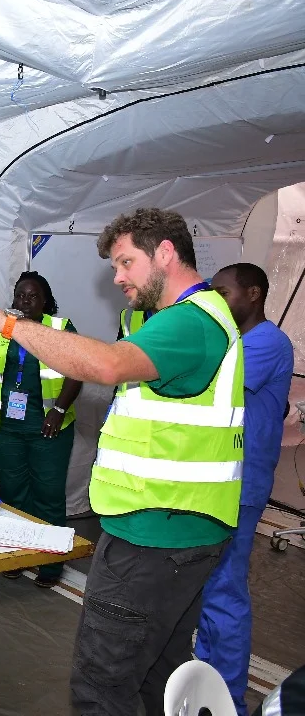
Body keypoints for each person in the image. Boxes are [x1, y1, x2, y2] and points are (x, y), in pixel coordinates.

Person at [0, 207, 244, 716]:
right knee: (155, 679)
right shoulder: (178, 319)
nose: (118, 277)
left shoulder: (191, 322)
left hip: (153, 536)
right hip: (179, 529)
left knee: (101, 684)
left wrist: (5, 321)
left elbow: (104, 364)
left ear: (165, 253)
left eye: (126, 263)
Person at [196, 263, 294, 716]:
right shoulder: (238, 341)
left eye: (224, 292)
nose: (218, 299)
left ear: (253, 294)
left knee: (225, 589)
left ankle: (227, 699)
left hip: (242, 481)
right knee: (211, 586)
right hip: (222, 478)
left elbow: (211, 385)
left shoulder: (266, 343)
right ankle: (207, 680)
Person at [0, 271, 82, 587]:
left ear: (46, 301)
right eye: (20, 295)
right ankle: (18, 553)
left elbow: (77, 372)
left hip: (50, 429)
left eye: (32, 296)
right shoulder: (0, 330)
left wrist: (58, 410)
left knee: (48, 494)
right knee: (14, 493)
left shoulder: (59, 328)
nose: (24, 301)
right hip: (8, 429)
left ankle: (51, 561)